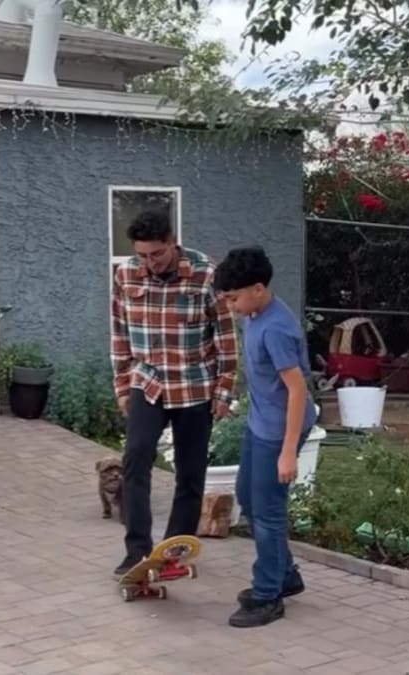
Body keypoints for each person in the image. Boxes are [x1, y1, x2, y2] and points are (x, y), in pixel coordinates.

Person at [109, 210, 239, 577]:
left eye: (157, 255)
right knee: (134, 460)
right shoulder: (125, 275)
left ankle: (173, 551)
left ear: (172, 242)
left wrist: (223, 391)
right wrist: (122, 385)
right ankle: (136, 551)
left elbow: (225, 339)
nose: (149, 263)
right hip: (146, 383)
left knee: (190, 473)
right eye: (142, 256)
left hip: (194, 385)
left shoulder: (206, 274)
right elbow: (118, 332)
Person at [213, 246, 317, 628]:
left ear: (258, 288)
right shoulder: (255, 312)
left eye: (234, 297)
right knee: (248, 498)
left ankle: (268, 594)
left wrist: (288, 452)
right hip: (260, 423)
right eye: (226, 298)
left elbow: (297, 390)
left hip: (280, 430)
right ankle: (285, 574)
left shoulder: (276, 328)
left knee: (268, 512)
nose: (231, 306)